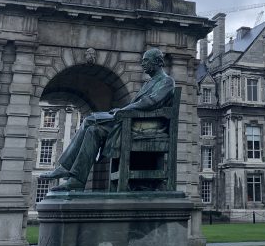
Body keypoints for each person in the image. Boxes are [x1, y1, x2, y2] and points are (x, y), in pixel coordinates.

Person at [43, 48, 174, 190]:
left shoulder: (167, 81)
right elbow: (141, 103)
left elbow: (150, 102)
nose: (143, 65)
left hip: (148, 125)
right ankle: (77, 179)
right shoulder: (148, 83)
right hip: (134, 120)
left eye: (146, 61)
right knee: (93, 130)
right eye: (142, 61)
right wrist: (124, 110)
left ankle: (65, 167)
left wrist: (124, 110)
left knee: (90, 120)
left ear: (158, 62)